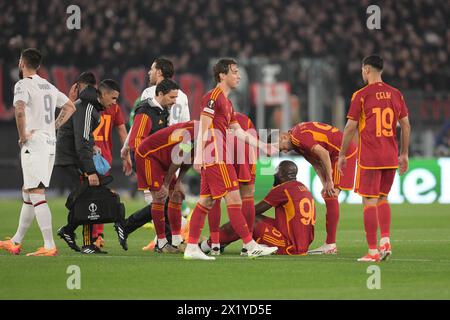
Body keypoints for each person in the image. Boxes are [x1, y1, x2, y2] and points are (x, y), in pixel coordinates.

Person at [184, 58, 278, 260]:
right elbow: (204, 127)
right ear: (222, 75)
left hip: (218, 155)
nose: (239, 76)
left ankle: (191, 247)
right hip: (216, 155)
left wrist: (263, 146)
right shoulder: (213, 97)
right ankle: (250, 245)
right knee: (234, 199)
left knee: (206, 202)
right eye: (234, 72)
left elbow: (239, 132)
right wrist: (199, 157)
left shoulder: (227, 102)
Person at [0, 48, 76, 256]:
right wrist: (54, 126)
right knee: (28, 190)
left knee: (36, 192)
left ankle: (49, 245)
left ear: (22, 63)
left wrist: (23, 135)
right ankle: (16, 241)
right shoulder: (49, 86)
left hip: (35, 144)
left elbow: (19, 109)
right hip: (50, 142)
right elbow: (70, 107)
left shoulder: (23, 84)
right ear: (39, 65)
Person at [337, 55, 410, 262]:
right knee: (383, 198)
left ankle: (372, 251)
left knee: (368, 201)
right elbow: (406, 125)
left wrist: (342, 155)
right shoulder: (396, 94)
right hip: (390, 156)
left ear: (366, 70)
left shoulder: (360, 95)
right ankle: (385, 240)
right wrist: (404, 153)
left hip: (370, 156)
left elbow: (351, 127)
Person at [56, 79, 121, 254]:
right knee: (88, 196)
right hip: (70, 158)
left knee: (86, 195)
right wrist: (90, 170)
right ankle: (85, 242)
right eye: (113, 98)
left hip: (70, 156)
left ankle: (69, 230)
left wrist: (92, 145)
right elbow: (81, 141)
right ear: (104, 94)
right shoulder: (87, 107)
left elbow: (82, 136)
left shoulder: (88, 106)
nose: (114, 103)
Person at [113, 79, 180, 250]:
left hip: (161, 161)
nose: (174, 101)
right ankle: (164, 241)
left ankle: (129, 227)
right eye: (172, 97)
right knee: (161, 198)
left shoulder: (163, 110)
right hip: (148, 161)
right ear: (160, 94)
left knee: (170, 196)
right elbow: (137, 141)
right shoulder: (146, 111)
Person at [278, 121, 357, 255]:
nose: (285, 151)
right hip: (337, 152)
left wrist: (330, 181)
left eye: (282, 148)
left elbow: (324, 154)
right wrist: (324, 182)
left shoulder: (297, 137)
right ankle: (330, 244)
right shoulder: (297, 141)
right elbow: (315, 162)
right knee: (329, 193)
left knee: (331, 194)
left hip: (342, 152)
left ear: (283, 137)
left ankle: (330, 244)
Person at [205, 161, 316, 255]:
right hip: (303, 243)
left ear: (281, 174)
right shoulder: (302, 187)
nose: (274, 175)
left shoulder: (283, 189)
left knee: (247, 220)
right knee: (253, 218)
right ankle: (222, 241)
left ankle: (209, 244)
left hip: (289, 246)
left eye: (276, 172)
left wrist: (235, 216)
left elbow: (254, 211)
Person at [200, 112, 258, 255]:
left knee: (213, 197)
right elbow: (254, 139)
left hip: (217, 150)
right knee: (247, 195)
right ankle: (247, 246)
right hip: (244, 150)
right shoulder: (245, 118)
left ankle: (214, 244)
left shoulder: (209, 118)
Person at [134, 120, 196, 252]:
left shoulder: (204, 134)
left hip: (165, 159)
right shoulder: (192, 135)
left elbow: (189, 159)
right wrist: (167, 184)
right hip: (148, 156)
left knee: (178, 195)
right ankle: (161, 244)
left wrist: (178, 182)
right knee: (160, 196)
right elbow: (179, 157)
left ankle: (176, 241)